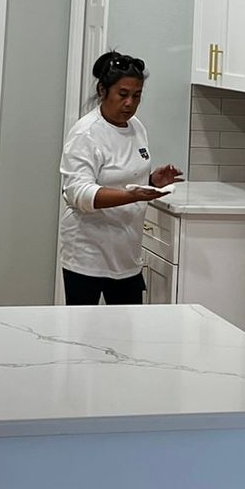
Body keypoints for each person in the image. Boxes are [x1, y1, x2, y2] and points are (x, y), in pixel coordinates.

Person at [58, 51, 183, 305]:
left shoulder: (137, 128)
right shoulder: (86, 133)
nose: (129, 103)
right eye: (123, 94)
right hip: (87, 257)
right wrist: (132, 195)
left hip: (127, 255)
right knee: (84, 336)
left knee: (127, 334)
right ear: (103, 91)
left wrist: (151, 181)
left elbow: (127, 178)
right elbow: (78, 194)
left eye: (136, 96)